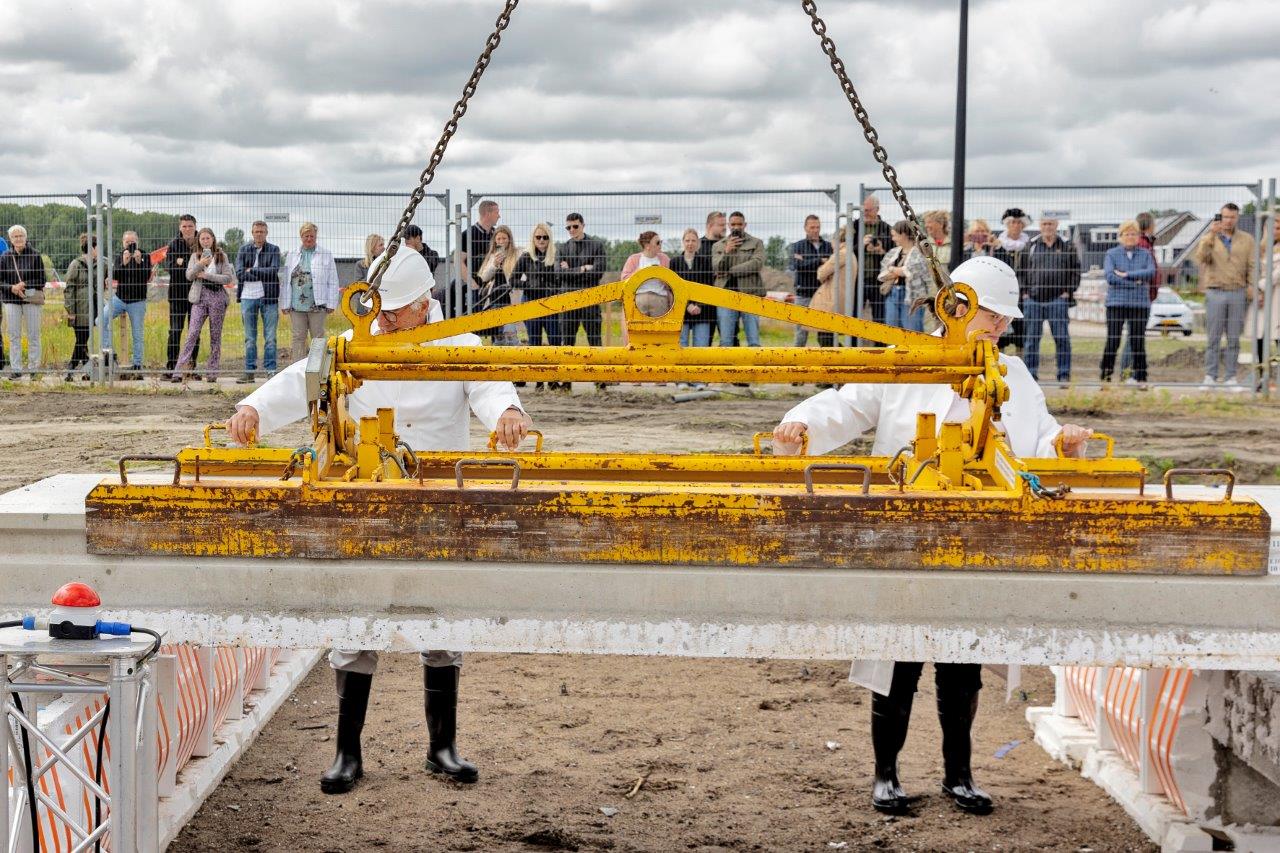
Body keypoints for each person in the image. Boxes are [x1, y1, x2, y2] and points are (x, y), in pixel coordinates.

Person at [771, 255, 1093, 817]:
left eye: (1003, 320)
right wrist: (802, 425)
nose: (1001, 327)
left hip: (978, 538)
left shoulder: (1011, 374)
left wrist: (1062, 443)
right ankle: (886, 775)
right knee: (896, 657)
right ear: (958, 308)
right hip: (905, 535)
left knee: (961, 660)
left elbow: (1039, 436)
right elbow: (845, 404)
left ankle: (958, 775)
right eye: (993, 315)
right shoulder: (906, 364)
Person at [225, 248, 530, 797]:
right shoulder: (358, 341)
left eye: (393, 313)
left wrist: (507, 414)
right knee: (356, 619)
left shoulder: (461, 346)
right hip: (366, 496)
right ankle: (347, 753)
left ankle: (442, 749)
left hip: (438, 499)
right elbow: (302, 378)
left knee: (441, 624)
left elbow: (490, 385)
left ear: (424, 303)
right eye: (378, 311)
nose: (382, 321)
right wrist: (253, 409)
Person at [1195, 202, 1257, 387]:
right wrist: (1210, 236)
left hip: (1237, 292)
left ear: (1237, 218)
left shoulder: (1247, 239)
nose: (1228, 220)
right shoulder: (1210, 238)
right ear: (1220, 217)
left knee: (1233, 338)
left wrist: (1253, 286)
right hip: (1215, 292)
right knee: (1213, 337)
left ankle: (1230, 377)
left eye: (1232, 217)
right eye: (1225, 217)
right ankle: (1210, 376)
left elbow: (1253, 265)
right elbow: (1201, 258)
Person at [1022, 217, 1081, 383]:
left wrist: (1068, 292)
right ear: (1040, 227)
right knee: (1031, 340)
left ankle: (1063, 374)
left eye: (1051, 224)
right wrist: (1024, 293)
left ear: (1056, 226)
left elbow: (1076, 270)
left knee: (1062, 339)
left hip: (1058, 300)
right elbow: (1020, 271)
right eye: (1044, 224)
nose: (1047, 227)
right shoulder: (1031, 246)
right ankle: (1030, 375)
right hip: (1033, 300)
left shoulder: (1067, 246)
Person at [171, 228, 234, 382]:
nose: (205, 241)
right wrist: (200, 264)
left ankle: (212, 373)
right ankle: (178, 371)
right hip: (199, 298)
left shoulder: (221, 256)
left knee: (215, 336)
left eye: (208, 238)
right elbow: (189, 275)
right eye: (202, 238)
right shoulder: (194, 256)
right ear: (199, 241)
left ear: (213, 239)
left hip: (217, 298)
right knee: (192, 333)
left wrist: (207, 275)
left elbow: (227, 278)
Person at [1100, 221, 1155, 386]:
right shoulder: (1111, 254)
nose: (1130, 237)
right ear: (1121, 236)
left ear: (1138, 236)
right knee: (1113, 340)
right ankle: (1106, 377)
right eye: (1127, 234)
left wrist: (1125, 275)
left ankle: (1141, 378)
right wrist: (1136, 281)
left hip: (1139, 305)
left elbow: (1151, 272)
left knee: (1138, 341)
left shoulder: (1146, 254)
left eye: (1134, 234)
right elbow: (1110, 277)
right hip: (1116, 304)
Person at [280, 222, 341, 362]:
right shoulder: (292, 254)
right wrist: (284, 303)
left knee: (318, 337)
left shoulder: (326, 254)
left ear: (316, 236)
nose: (309, 239)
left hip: (317, 304)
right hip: (296, 305)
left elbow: (333, 280)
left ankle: (318, 367)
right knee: (298, 337)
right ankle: (297, 367)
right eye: (306, 236)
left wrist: (332, 303)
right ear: (301, 237)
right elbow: (286, 281)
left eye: (312, 236)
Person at [514, 223, 563, 389]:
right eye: (538, 237)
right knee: (534, 342)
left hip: (551, 305)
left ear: (550, 239)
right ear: (533, 239)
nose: (541, 240)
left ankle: (553, 379)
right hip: (532, 303)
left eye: (545, 237)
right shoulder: (526, 257)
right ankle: (538, 380)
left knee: (554, 341)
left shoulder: (556, 256)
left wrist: (553, 289)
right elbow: (512, 279)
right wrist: (528, 285)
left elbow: (561, 280)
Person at [235, 221, 282, 383]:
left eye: (262, 231)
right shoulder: (243, 249)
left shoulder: (274, 250)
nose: (259, 234)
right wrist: (261, 273)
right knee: (250, 338)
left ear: (266, 233)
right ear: (252, 233)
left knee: (270, 337)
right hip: (248, 298)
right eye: (256, 231)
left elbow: (273, 270)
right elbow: (240, 273)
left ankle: (270, 371)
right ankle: (249, 372)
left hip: (269, 298)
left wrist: (252, 270)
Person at [712, 212, 766, 348]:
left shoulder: (756, 243)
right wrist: (727, 251)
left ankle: (754, 368)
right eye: (733, 224)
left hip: (750, 294)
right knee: (725, 341)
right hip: (725, 296)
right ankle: (728, 369)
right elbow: (717, 267)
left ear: (745, 225)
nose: (736, 227)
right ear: (728, 225)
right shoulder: (718, 246)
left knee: (753, 340)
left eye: (739, 224)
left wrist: (731, 271)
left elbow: (756, 264)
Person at [1, 225, 47, 379]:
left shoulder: (35, 255)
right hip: (11, 300)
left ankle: (34, 370)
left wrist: (24, 284)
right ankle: (16, 369)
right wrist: (12, 287)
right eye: (15, 236)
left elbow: (42, 280)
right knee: (14, 335)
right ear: (11, 239)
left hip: (30, 300)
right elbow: (1, 281)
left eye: (21, 236)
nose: (18, 239)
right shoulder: (5, 257)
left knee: (33, 335)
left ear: (26, 238)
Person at [105, 230, 153, 378]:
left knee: (137, 333)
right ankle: (108, 354)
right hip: (120, 298)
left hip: (137, 301)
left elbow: (146, 277)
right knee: (101, 319)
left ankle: (137, 364)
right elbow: (115, 276)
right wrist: (124, 263)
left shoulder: (145, 256)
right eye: (127, 242)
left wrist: (139, 262)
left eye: (133, 242)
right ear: (123, 243)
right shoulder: (120, 256)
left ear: (137, 242)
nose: (130, 245)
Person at [558, 213, 607, 352]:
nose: (571, 230)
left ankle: (598, 370)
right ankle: (566, 372)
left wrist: (570, 271)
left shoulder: (597, 246)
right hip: (568, 300)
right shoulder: (562, 248)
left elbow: (599, 271)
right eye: (568, 227)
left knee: (595, 340)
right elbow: (559, 273)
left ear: (583, 226)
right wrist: (584, 268)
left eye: (575, 226)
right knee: (567, 343)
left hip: (590, 298)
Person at [1247, 216, 1280, 391]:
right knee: (1261, 338)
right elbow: (1253, 270)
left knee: (1278, 337)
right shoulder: (1258, 250)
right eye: (1273, 228)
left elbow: (1275, 275)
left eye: (1279, 228)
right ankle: (1263, 378)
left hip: (1276, 298)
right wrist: (1254, 291)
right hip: (1261, 300)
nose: (1276, 231)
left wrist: (1260, 286)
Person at [878, 221, 930, 332]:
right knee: (892, 331)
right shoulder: (893, 252)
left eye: (894, 235)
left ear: (903, 234)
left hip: (913, 297)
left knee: (913, 331)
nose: (893, 239)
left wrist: (892, 269)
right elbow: (883, 274)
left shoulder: (919, 252)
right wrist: (899, 271)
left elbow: (912, 271)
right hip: (893, 294)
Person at [790, 215, 834, 347]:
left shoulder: (828, 246)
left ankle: (828, 361)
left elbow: (831, 266)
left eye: (818, 227)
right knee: (801, 333)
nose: (815, 230)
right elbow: (798, 266)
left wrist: (807, 262)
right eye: (812, 227)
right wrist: (820, 261)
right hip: (803, 294)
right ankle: (797, 362)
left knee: (825, 332)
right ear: (805, 228)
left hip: (823, 294)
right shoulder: (797, 246)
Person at [993, 208, 1032, 353]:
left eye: (1019, 223)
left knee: (1021, 326)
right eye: (1013, 222)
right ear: (1007, 224)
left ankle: (1020, 357)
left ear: (1023, 225)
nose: (1016, 225)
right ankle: (999, 356)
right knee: (999, 321)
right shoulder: (998, 244)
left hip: (1022, 292)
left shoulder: (1029, 245)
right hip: (1002, 290)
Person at [671, 227, 716, 350]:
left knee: (701, 349)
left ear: (698, 243)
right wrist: (687, 305)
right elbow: (673, 288)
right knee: (681, 348)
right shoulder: (674, 262)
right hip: (681, 312)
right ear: (683, 242)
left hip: (702, 312)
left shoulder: (706, 262)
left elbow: (709, 286)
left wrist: (699, 305)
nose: (690, 243)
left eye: (693, 240)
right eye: (687, 240)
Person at [164, 215, 199, 372]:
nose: (187, 229)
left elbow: (206, 268)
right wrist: (192, 266)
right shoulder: (173, 244)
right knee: (175, 331)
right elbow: (170, 268)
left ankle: (191, 367)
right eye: (184, 226)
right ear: (180, 228)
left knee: (194, 332)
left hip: (197, 295)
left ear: (195, 226)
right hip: (177, 295)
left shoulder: (201, 243)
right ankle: (172, 366)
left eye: (190, 226)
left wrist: (182, 262)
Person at [475, 225, 520, 345]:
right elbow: (484, 277)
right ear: (495, 241)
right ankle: (496, 360)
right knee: (498, 335)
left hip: (510, 298)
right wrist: (494, 264)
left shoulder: (516, 254)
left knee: (510, 332)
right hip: (494, 299)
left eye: (504, 238)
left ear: (509, 239)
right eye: (498, 239)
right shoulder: (492, 256)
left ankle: (515, 358)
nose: (501, 241)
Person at [63, 234, 98, 381]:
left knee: (82, 340)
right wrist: (70, 311)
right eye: (97, 247)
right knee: (82, 340)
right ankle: (71, 368)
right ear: (91, 248)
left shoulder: (101, 263)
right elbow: (69, 289)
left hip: (93, 308)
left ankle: (86, 371)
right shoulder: (75, 264)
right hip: (79, 309)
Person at [856, 195, 893, 325]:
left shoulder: (886, 228)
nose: (865, 213)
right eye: (863, 210)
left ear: (877, 209)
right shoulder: (854, 226)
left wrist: (880, 250)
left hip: (878, 279)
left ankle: (880, 345)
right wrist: (861, 245)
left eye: (868, 210)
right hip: (857, 279)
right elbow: (846, 250)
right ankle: (854, 345)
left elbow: (893, 252)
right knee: (855, 315)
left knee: (880, 316)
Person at [461, 200, 501, 302]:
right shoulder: (468, 234)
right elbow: (458, 261)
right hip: (475, 287)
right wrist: (472, 283)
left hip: (493, 286)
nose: (499, 216)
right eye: (497, 212)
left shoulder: (497, 235)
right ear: (488, 214)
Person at [700, 212, 729, 343]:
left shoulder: (728, 244)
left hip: (725, 296)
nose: (725, 228)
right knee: (706, 339)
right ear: (710, 225)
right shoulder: (699, 246)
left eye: (725, 224)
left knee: (729, 337)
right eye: (721, 225)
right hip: (705, 299)